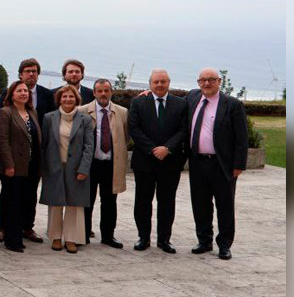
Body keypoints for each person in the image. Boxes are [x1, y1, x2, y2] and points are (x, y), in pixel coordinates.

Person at [186, 68, 249, 260]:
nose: (207, 83)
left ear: (219, 81)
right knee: (200, 204)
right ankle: (204, 241)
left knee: (225, 205)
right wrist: (148, 93)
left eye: (211, 80)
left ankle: (224, 245)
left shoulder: (232, 104)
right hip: (197, 163)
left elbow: (241, 138)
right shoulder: (192, 97)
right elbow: (172, 103)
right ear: (198, 82)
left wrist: (238, 165)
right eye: (203, 80)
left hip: (222, 164)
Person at [128, 69, 189, 253]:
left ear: (169, 83)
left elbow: (183, 130)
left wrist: (167, 148)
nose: (159, 85)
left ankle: (164, 240)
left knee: (167, 202)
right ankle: (143, 238)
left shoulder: (181, 104)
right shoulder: (138, 102)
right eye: (156, 82)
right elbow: (134, 129)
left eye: (163, 81)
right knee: (142, 202)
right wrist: (153, 149)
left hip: (170, 162)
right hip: (145, 161)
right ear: (150, 84)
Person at [0, 58, 53, 242]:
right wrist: (8, 162)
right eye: (27, 71)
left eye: (34, 71)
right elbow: (2, 138)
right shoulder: (5, 108)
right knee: (10, 195)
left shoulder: (43, 100)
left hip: (34, 159)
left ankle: (27, 227)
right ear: (20, 74)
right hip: (14, 160)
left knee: (30, 195)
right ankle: (4, 228)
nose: (31, 74)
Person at [40, 85, 95, 254]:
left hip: (76, 168)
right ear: (59, 99)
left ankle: (71, 239)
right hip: (55, 167)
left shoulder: (85, 119)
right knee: (56, 203)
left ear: (76, 99)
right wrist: (44, 168)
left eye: (71, 96)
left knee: (74, 204)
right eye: (64, 97)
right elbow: (44, 144)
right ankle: (56, 237)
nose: (68, 99)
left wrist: (84, 168)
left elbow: (89, 146)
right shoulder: (49, 118)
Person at [80, 78, 129, 248]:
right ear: (94, 93)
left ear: (111, 92)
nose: (103, 94)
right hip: (90, 164)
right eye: (99, 91)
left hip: (111, 164)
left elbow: (126, 136)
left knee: (109, 202)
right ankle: (83, 234)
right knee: (87, 200)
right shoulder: (83, 111)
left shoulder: (122, 112)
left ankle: (108, 236)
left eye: (106, 90)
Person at [0, 81, 41, 253]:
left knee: (26, 200)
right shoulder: (5, 112)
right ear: (12, 94)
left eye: (25, 91)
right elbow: (2, 141)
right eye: (19, 91)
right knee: (12, 201)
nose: (23, 93)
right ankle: (12, 240)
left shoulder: (32, 113)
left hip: (31, 165)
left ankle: (21, 231)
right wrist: (8, 164)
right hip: (13, 166)